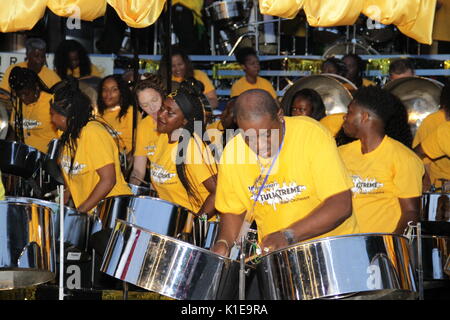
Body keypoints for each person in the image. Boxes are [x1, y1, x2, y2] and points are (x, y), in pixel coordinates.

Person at [212, 89, 358, 257]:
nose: (259, 145)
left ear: (280, 115)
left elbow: (340, 203)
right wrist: (223, 242)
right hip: (280, 259)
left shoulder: (311, 134)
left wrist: (288, 235)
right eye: (249, 137)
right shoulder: (233, 153)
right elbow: (232, 210)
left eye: (267, 135)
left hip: (333, 251)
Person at [338, 86, 423, 234]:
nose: (345, 117)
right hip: (347, 245)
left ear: (364, 117)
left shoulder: (404, 158)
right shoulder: (340, 154)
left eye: (350, 112)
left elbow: (411, 212)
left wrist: (393, 247)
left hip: (383, 248)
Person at [50, 80, 132, 213]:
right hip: (90, 211)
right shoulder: (65, 133)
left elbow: (108, 180)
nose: (51, 119)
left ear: (66, 116)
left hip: (111, 211)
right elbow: (72, 168)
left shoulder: (92, 132)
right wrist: (67, 191)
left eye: (53, 114)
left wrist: (79, 212)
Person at [149, 86, 217, 218]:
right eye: (162, 108)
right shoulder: (163, 137)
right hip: (171, 223)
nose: (161, 115)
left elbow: (218, 192)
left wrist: (196, 226)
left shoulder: (192, 148)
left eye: (170, 113)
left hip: (195, 228)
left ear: (184, 121)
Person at [8, 67, 58, 153]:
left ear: (36, 88)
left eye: (26, 94)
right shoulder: (18, 103)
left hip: (46, 159)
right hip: (24, 158)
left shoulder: (51, 102)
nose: (23, 98)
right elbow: (14, 130)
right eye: (19, 95)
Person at [129, 75, 166, 186]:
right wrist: (132, 189)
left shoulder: (177, 121)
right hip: (159, 187)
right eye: (145, 105)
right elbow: (138, 170)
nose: (152, 107)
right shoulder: (144, 126)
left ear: (162, 96)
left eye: (154, 100)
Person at [412, 82, 450, 189]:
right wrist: (425, 180)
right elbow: (416, 156)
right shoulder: (441, 128)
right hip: (440, 188)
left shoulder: (445, 130)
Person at [96, 75, 141, 160]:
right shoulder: (98, 114)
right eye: (104, 89)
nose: (108, 93)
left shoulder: (131, 112)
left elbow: (139, 144)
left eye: (114, 90)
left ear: (121, 92)